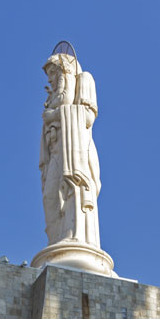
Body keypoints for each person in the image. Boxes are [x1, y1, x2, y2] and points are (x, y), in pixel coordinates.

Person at [39, 53, 101, 248]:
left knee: (74, 191)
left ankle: (74, 235)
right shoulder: (54, 98)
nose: (50, 79)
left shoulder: (84, 80)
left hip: (76, 154)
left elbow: (87, 117)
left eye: (53, 72)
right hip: (57, 154)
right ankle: (57, 239)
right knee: (50, 197)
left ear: (64, 69)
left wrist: (55, 115)